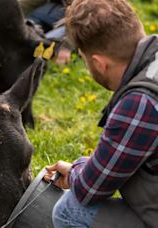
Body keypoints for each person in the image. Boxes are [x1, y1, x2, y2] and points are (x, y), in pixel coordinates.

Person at [43, 0, 158, 227]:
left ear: (98, 63)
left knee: (69, 210)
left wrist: (78, 173)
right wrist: (82, 168)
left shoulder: (138, 103)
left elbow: (90, 190)